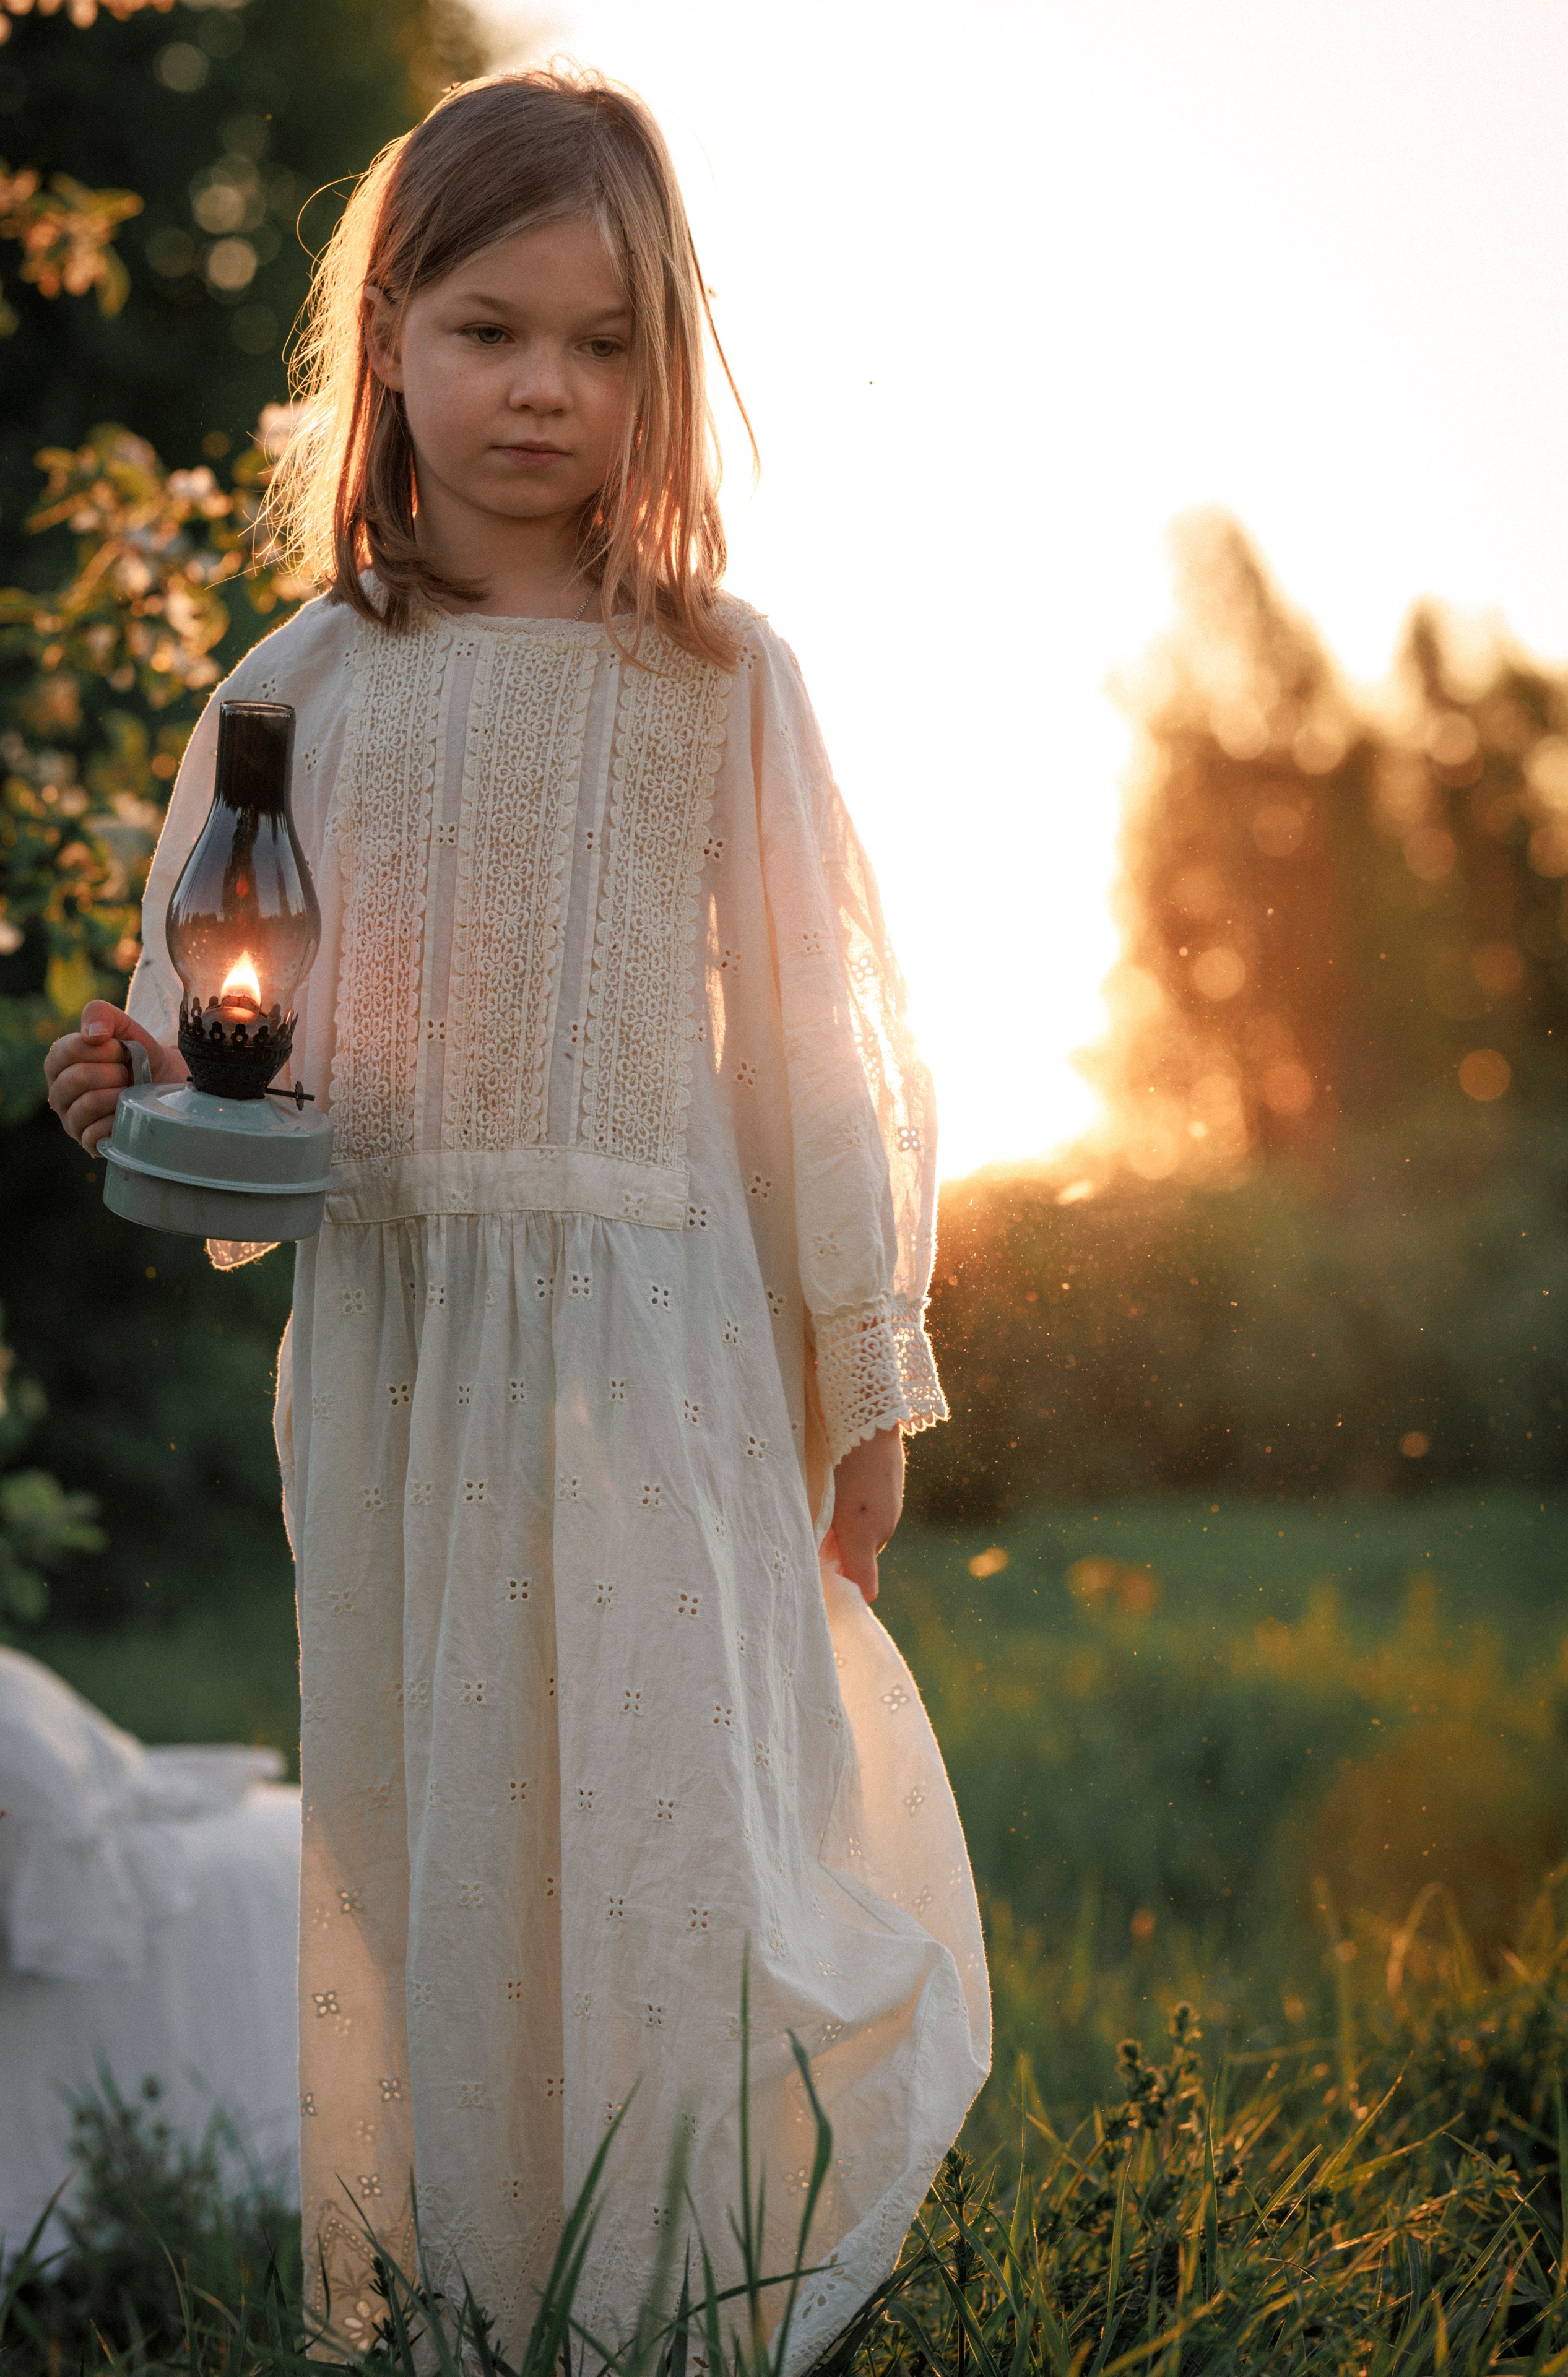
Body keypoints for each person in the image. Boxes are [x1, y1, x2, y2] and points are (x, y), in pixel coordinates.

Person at [43, 66, 989, 2368]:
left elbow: (820, 1055)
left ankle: (687, 2296)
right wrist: (133, 1081)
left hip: (663, 1333)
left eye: (603, 342)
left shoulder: (716, 676)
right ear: (389, 341)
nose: (545, 387)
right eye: (490, 331)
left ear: (665, 368)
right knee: (441, 1829)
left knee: (681, 1819)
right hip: (407, 1347)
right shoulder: (298, 689)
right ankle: (471, 2305)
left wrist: (862, 1371)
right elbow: (232, 1039)